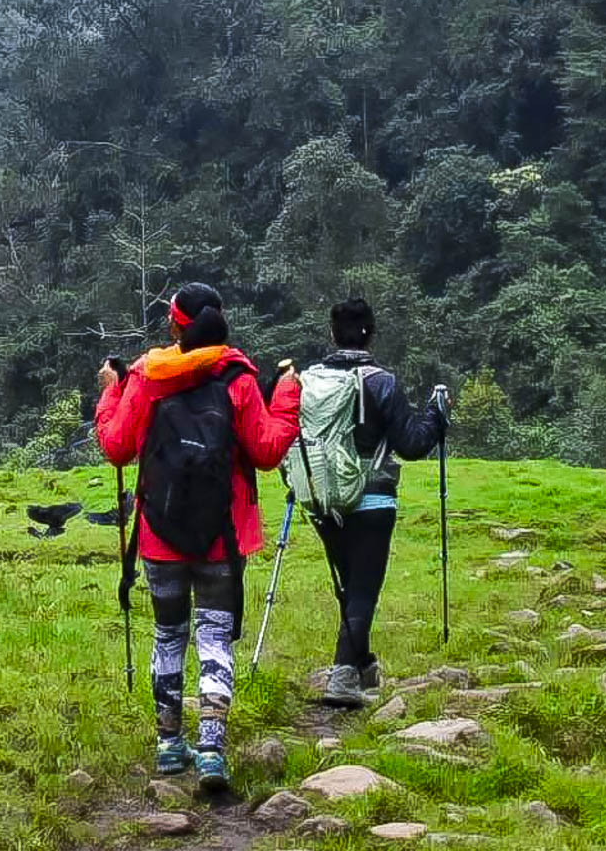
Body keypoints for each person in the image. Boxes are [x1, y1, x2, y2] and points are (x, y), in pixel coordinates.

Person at [95, 282, 301, 790]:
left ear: (175, 325)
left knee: (168, 634)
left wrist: (110, 389)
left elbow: (117, 446)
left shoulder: (146, 378)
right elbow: (269, 450)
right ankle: (211, 750)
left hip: (159, 537)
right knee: (213, 639)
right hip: (223, 538)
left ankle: (168, 745)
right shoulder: (237, 379)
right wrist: (289, 392)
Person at [305, 297, 449, 709]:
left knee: (351, 586)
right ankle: (343, 677)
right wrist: (437, 414)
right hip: (372, 498)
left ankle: (364, 663)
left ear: (332, 333)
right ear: (371, 333)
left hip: (324, 498)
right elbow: (414, 443)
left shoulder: (311, 380)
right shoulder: (381, 382)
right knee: (363, 589)